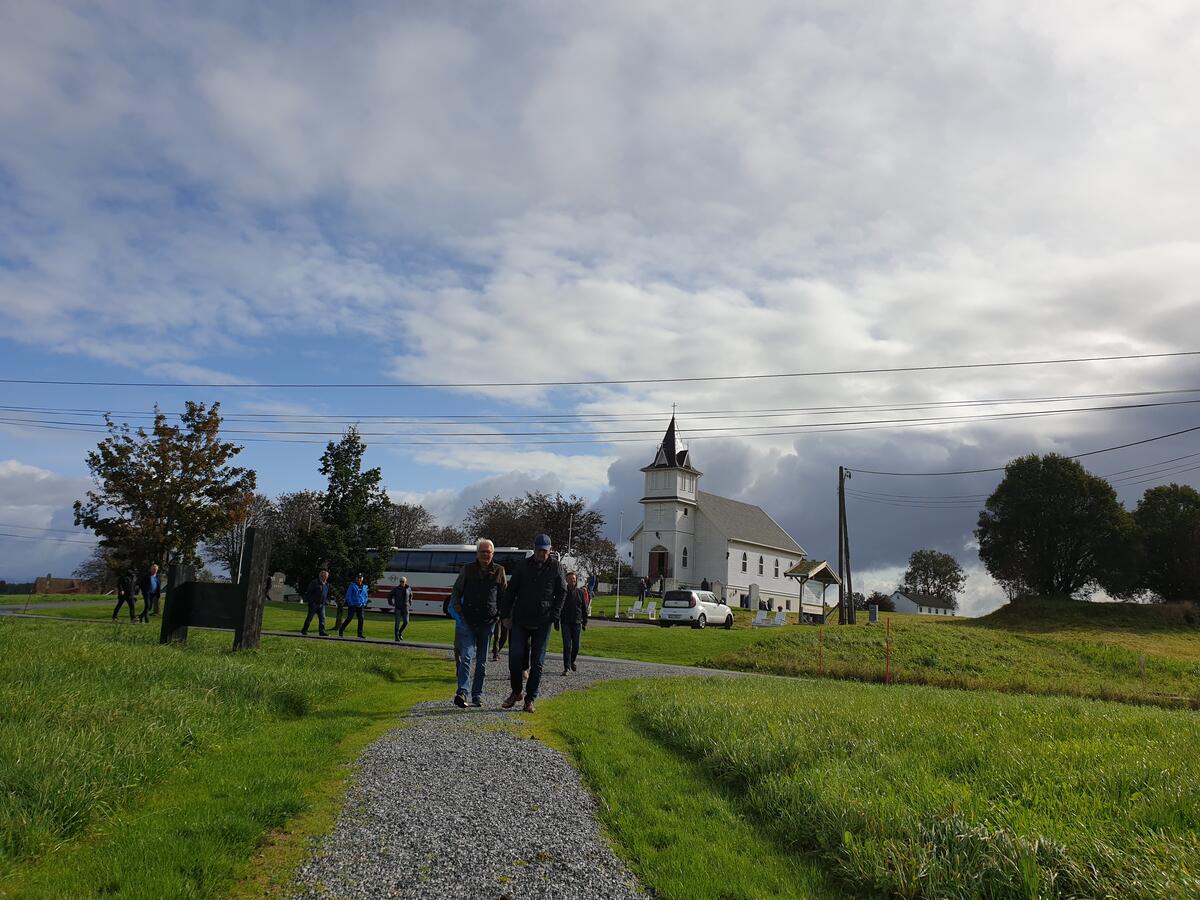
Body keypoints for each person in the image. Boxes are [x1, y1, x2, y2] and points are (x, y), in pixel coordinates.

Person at [500, 533, 566, 713]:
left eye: (545, 551)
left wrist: (555, 614)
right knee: (515, 657)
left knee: (537, 663)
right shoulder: (522, 566)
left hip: (543, 620)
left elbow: (562, 592)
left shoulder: (557, 567)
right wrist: (505, 614)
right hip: (521, 618)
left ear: (550, 550)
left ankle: (530, 698)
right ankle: (516, 692)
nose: (541, 554)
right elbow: (510, 591)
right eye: (539, 550)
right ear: (534, 549)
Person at [448, 539, 507, 708]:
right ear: (477, 553)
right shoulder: (467, 569)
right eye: (482, 551)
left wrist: (500, 615)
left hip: (488, 623)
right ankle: (462, 692)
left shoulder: (499, 571)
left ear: (493, 554)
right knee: (466, 657)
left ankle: (477, 695)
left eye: (488, 552)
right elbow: (456, 590)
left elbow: (504, 595)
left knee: (481, 662)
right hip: (468, 621)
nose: (485, 555)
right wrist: (458, 610)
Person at [558, 571, 589, 675]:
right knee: (567, 646)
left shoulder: (580, 592)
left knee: (576, 646)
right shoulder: (563, 592)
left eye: (574, 579)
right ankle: (566, 667)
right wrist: (556, 621)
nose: (572, 581)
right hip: (565, 622)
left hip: (577, 623)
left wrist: (585, 622)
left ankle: (572, 661)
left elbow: (584, 608)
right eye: (570, 579)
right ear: (567, 580)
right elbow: (559, 607)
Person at [301, 568, 330, 636]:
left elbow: (327, 594)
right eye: (325, 576)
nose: (326, 578)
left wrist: (326, 601)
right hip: (314, 604)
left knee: (322, 618)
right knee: (310, 617)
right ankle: (304, 630)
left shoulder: (326, 584)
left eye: (327, 576)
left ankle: (322, 632)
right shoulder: (314, 582)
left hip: (322, 604)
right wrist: (312, 602)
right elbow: (309, 593)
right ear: (321, 576)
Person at [338, 573, 369, 639]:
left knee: (361, 619)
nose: (359, 579)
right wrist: (351, 603)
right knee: (349, 618)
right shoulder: (352, 585)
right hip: (353, 605)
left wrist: (364, 602)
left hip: (361, 605)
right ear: (356, 578)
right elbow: (348, 595)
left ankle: (360, 634)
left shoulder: (365, 587)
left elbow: (366, 595)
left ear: (362, 579)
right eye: (358, 578)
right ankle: (341, 629)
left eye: (360, 578)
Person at [389, 576, 413, 641]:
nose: (401, 583)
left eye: (403, 582)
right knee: (397, 623)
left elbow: (411, 595)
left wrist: (410, 602)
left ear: (405, 582)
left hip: (405, 608)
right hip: (398, 608)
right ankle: (396, 637)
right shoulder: (396, 589)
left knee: (406, 622)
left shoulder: (408, 588)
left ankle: (400, 633)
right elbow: (390, 595)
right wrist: (391, 603)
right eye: (400, 581)